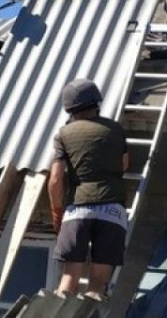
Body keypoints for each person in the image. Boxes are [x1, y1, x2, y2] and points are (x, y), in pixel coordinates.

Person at [48, 78, 129, 299]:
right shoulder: (115, 129)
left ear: (69, 109)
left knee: (68, 281)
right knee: (97, 286)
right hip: (113, 211)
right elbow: (124, 165)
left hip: (78, 211)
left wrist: (57, 212)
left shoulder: (64, 134)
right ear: (96, 103)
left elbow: (55, 179)